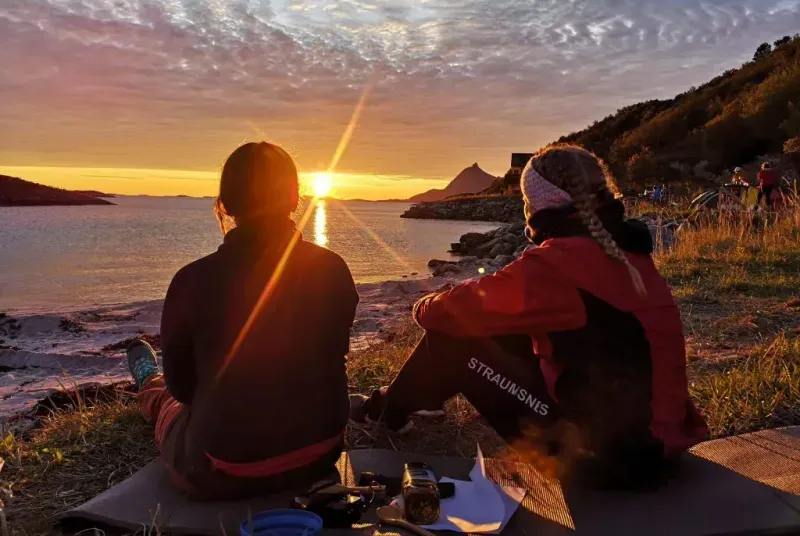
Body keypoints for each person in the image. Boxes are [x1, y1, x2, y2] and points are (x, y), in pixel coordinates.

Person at [351, 144, 708, 491]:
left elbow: (447, 311)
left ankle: (384, 411)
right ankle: (417, 401)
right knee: (502, 328)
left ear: (539, 205)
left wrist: (423, 303)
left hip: (606, 464)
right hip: (658, 448)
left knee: (453, 340)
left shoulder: (560, 263)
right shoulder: (625, 249)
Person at [126, 142, 358, 499]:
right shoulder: (334, 268)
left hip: (222, 469)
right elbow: (333, 356)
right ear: (294, 197)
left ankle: (147, 382)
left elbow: (183, 389)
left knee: (167, 402)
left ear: (226, 204)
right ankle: (149, 381)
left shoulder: (191, 280)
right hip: (321, 453)